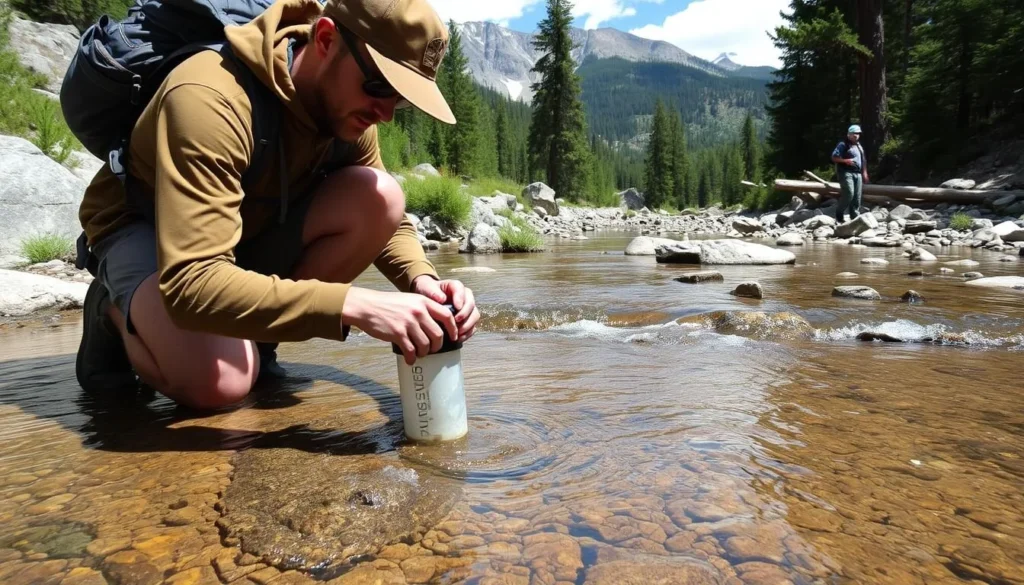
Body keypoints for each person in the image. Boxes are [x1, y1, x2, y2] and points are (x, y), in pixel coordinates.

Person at [73, 0, 481, 410]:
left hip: (241, 228)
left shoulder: (349, 111)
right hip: (147, 226)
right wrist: (351, 304)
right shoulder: (210, 97)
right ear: (324, 39)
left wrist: (421, 280)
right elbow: (192, 283)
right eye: (379, 87)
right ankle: (112, 308)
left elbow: (387, 221)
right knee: (223, 384)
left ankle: (256, 346)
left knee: (381, 195)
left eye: (402, 99)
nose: (386, 113)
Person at [830, 124, 870, 223]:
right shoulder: (843, 144)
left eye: (858, 133)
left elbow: (863, 160)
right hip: (846, 172)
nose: (856, 135)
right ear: (849, 134)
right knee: (849, 193)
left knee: (857, 196)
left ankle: (855, 217)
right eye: (854, 133)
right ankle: (839, 214)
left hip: (858, 173)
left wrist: (864, 173)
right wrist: (845, 161)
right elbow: (834, 157)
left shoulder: (859, 146)